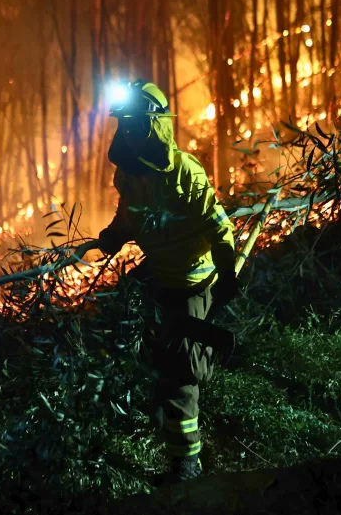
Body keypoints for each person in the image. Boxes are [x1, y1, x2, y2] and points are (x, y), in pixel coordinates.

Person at [96, 80, 239, 483]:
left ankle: (186, 465)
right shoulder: (128, 174)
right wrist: (114, 234)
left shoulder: (185, 172)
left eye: (136, 124)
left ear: (156, 126)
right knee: (155, 357)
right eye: (124, 124)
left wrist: (227, 275)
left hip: (191, 284)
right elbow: (129, 214)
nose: (129, 132)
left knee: (181, 378)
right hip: (158, 279)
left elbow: (218, 228)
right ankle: (164, 415)